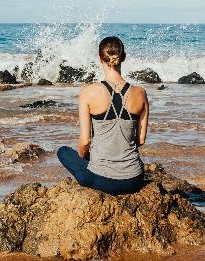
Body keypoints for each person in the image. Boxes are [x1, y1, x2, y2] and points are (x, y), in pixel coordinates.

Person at [57, 36, 149, 195]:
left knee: (63, 151)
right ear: (124, 57)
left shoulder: (88, 92)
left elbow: (85, 141)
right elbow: (140, 140)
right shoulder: (140, 93)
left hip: (100, 180)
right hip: (134, 180)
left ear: (100, 59)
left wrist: (86, 158)